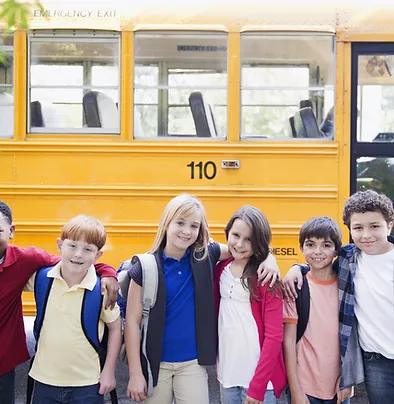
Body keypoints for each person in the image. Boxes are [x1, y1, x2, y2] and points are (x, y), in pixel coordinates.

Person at [125, 194, 280, 404]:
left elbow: (245, 251)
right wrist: (135, 374)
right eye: (180, 223)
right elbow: (132, 322)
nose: (187, 231)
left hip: (192, 365)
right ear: (166, 222)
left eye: (194, 225)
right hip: (155, 365)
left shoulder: (205, 256)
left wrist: (270, 258)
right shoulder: (145, 268)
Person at [0, 201, 118, 404]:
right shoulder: (40, 275)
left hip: (6, 364)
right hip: (45, 377)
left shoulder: (26, 263)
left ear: (11, 231)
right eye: (73, 246)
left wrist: (106, 270)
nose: (79, 253)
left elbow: (67, 261)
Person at [283, 190, 394, 404]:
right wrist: (297, 268)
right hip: (375, 360)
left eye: (374, 226)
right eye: (358, 228)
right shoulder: (348, 258)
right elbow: (319, 264)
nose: (366, 235)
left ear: (389, 224)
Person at [214, 206, 286, 404]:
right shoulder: (220, 269)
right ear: (227, 233)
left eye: (249, 240)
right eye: (235, 235)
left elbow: (274, 337)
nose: (239, 244)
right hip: (227, 376)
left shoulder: (266, 278)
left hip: (260, 383)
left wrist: (257, 388)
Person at [283, 216, 352, 404]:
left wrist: (349, 380)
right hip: (305, 388)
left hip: (339, 386)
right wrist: (295, 390)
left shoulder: (345, 286)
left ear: (337, 249)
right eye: (311, 245)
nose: (318, 252)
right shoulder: (296, 287)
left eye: (326, 245)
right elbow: (288, 342)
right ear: (301, 248)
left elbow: (352, 336)